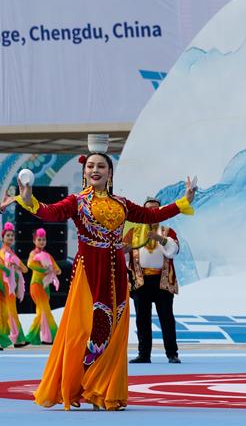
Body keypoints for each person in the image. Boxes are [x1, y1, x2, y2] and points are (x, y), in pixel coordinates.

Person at [0, 152, 196, 410]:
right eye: (91, 166)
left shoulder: (122, 204)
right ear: (84, 172)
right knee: (85, 330)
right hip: (89, 271)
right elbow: (51, 213)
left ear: (109, 173)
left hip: (116, 273)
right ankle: (79, 385)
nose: (95, 170)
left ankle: (101, 391)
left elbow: (150, 216)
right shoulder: (77, 202)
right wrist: (28, 201)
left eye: (101, 166)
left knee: (113, 331)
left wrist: (183, 201)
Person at [126, 197, 183, 364]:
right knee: (142, 319)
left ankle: (172, 353)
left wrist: (160, 239)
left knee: (167, 318)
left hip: (162, 281)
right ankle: (144, 354)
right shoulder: (133, 232)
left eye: (155, 209)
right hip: (141, 281)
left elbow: (174, 250)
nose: (152, 212)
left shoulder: (167, 231)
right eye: (149, 209)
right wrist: (123, 249)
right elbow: (122, 253)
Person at [25, 228, 61, 345]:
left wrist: (54, 271)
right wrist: (45, 270)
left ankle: (40, 337)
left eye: (43, 239)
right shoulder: (33, 253)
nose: (41, 242)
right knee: (46, 311)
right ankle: (55, 336)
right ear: (34, 241)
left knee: (42, 312)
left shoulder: (47, 255)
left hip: (46, 287)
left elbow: (58, 270)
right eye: (39, 240)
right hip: (36, 285)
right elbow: (30, 264)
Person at [2, 222, 28, 348]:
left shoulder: (12, 253)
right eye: (8, 235)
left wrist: (16, 267)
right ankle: (17, 339)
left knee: (9, 312)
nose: (10, 237)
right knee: (9, 312)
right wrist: (9, 268)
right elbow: (4, 268)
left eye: (12, 235)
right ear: (3, 238)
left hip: (11, 287)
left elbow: (25, 269)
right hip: (4, 286)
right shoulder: (2, 252)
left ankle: (15, 339)